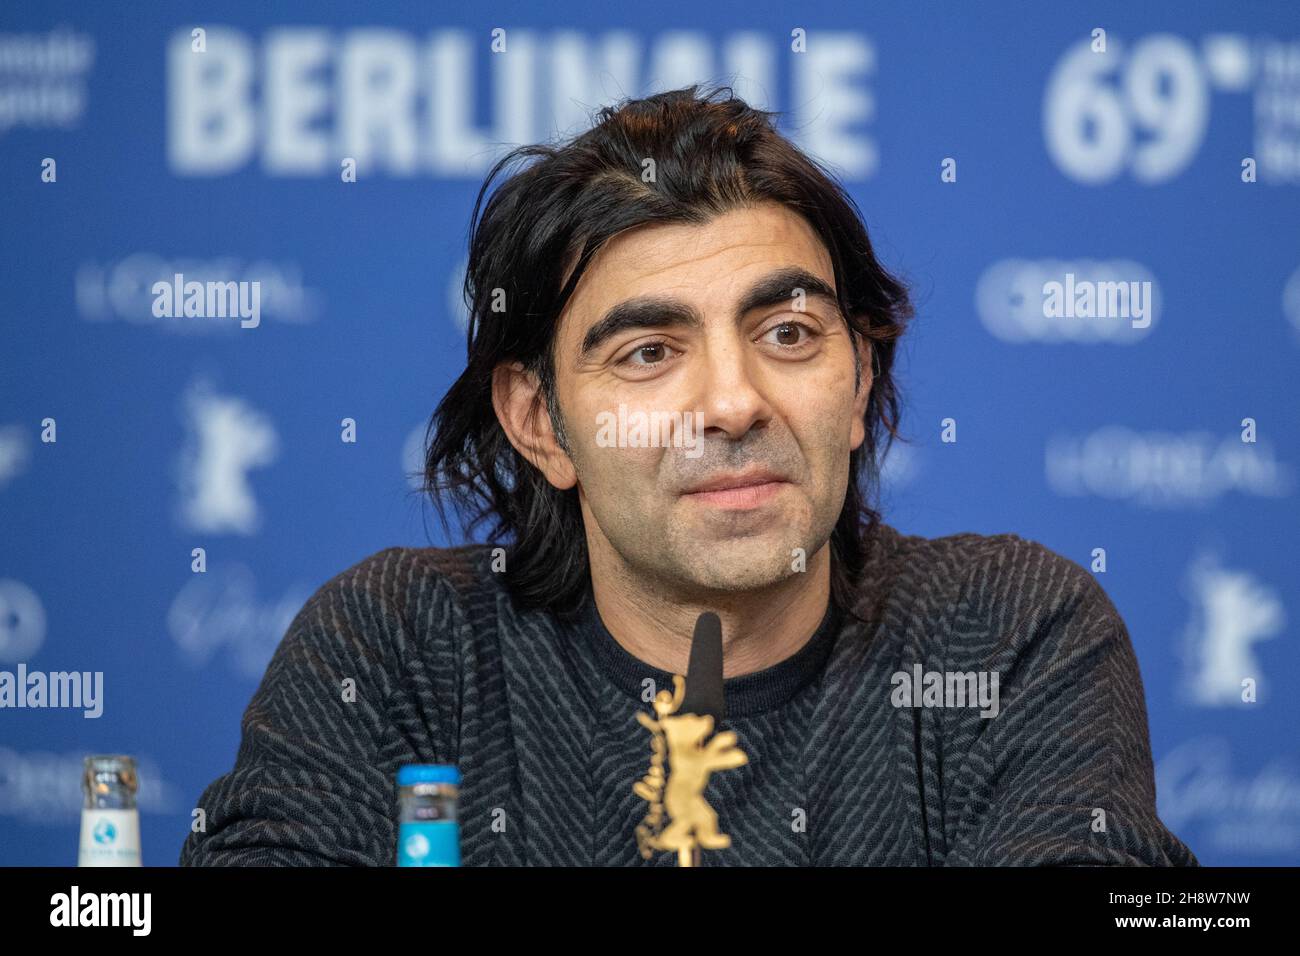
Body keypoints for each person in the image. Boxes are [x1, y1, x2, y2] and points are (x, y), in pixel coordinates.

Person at [180, 84, 1197, 867]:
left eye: (789, 333)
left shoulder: (1008, 631)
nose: (734, 402)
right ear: (540, 422)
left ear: (856, 385)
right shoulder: (402, 649)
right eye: (648, 353)